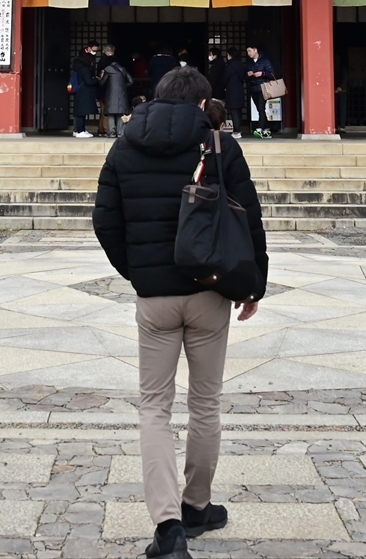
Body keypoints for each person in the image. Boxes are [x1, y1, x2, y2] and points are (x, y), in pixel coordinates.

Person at [92, 66, 268, 559]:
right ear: (200, 103)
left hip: (155, 298)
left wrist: (138, 271)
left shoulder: (125, 145)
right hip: (210, 290)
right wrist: (255, 282)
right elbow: (248, 215)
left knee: (154, 407)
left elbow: (105, 219)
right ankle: (197, 506)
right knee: (205, 404)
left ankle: (167, 528)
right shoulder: (218, 146)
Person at [69, 44, 101, 138]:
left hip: (78, 91)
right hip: (84, 92)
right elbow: (89, 81)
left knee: (79, 112)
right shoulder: (85, 69)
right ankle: (80, 131)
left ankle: (79, 130)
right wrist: (97, 79)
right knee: (81, 112)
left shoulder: (77, 68)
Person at [242, 46, 275, 139]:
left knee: (261, 108)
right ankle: (267, 129)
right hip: (253, 88)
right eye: (247, 51)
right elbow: (245, 78)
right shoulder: (249, 63)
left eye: (249, 51)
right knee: (260, 109)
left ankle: (259, 129)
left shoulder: (265, 61)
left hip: (263, 88)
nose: (248, 53)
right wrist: (248, 75)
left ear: (255, 50)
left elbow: (272, 74)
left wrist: (262, 73)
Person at [101, 53, 134, 137]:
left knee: (111, 114)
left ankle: (111, 132)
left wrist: (100, 77)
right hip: (122, 94)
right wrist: (123, 87)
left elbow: (102, 82)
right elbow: (131, 81)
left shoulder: (108, 69)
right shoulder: (123, 69)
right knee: (120, 113)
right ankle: (120, 132)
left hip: (111, 95)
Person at [220, 50, 246, 134]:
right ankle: (239, 130)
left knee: (234, 111)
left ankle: (236, 131)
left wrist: (222, 87)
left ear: (230, 55)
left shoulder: (230, 66)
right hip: (240, 90)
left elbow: (225, 78)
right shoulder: (241, 65)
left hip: (231, 91)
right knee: (238, 111)